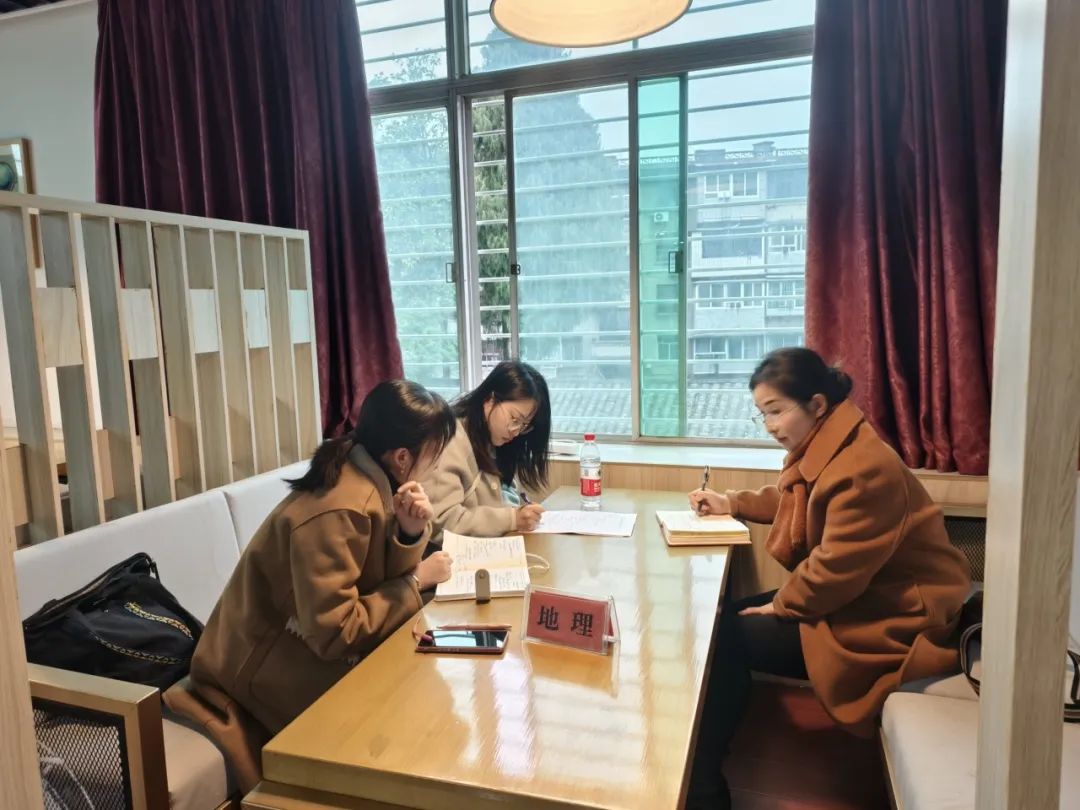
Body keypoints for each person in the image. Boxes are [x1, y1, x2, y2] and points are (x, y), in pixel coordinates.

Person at [686, 348, 972, 809]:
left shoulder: (862, 468)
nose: (770, 425)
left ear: (816, 404)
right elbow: (798, 504)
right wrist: (733, 502)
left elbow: (835, 571)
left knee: (723, 639)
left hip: (893, 615)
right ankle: (704, 772)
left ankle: (702, 791)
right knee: (724, 621)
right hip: (860, 597)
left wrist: (782, 604)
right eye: (762, 414)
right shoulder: (833, 445)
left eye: (776, 411)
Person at [164, 380, 457, 791]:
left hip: (299, 656)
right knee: (410, 728)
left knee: (423, 705)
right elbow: (336, 632)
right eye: (435, 454)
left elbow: (372, 581)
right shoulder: (341, 509)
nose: (437, 465)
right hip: (261, 673)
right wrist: (415, 580)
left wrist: (409, 532)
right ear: (403, 457)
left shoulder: (368, 482)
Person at [424, 360, 552, 539]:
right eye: (514, 419)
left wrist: (520, 514)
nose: (516, 431)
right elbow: (442, 523)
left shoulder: (493, 438)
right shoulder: (449, 439)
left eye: (524, 425)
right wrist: (512, 519)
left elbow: (501, 499)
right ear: (490, 400)